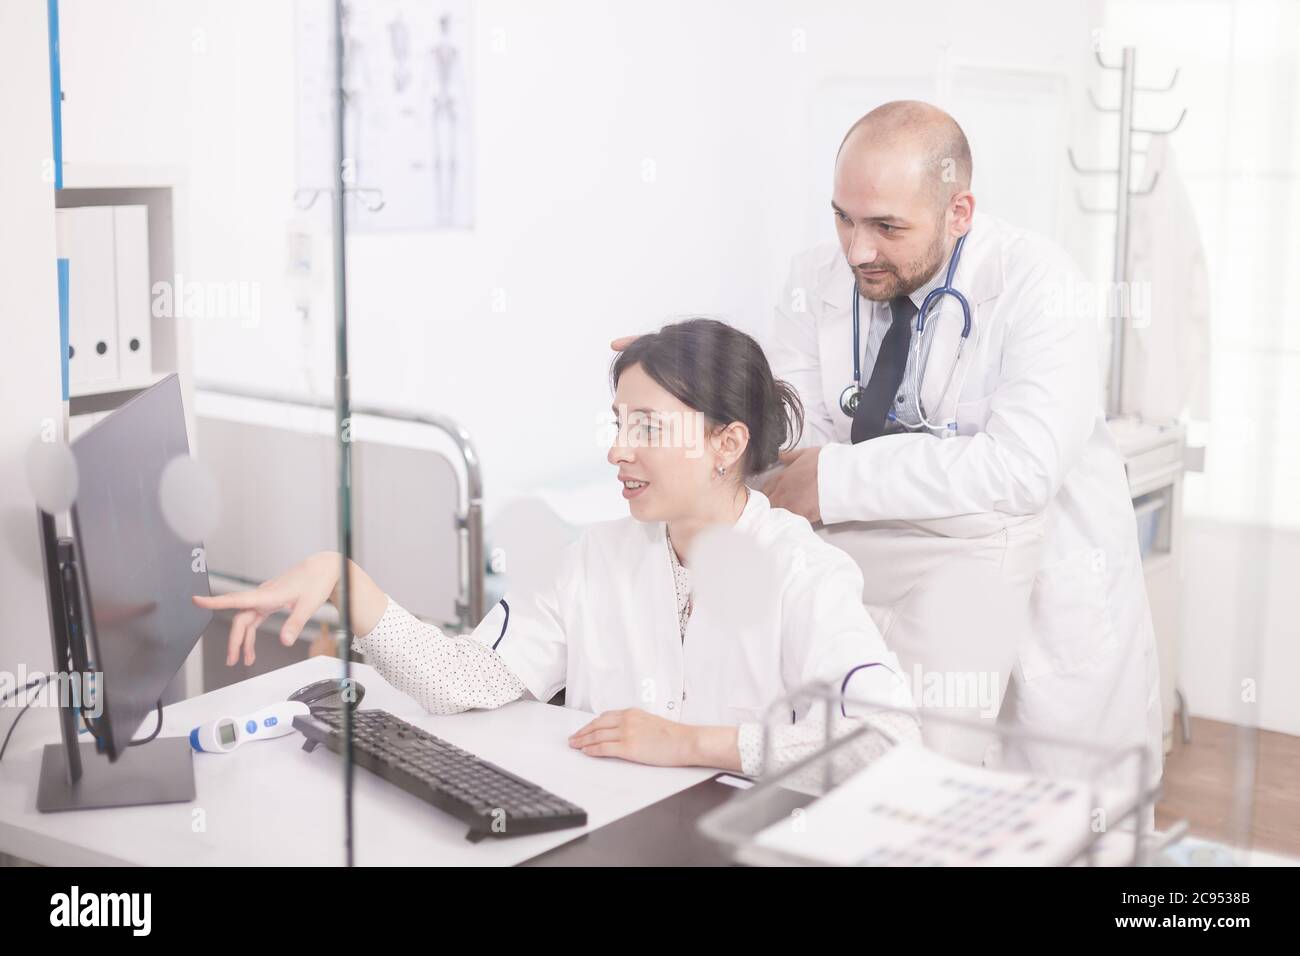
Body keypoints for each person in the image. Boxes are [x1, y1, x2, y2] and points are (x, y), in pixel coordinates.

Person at [195, 319, 918, 777]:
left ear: (726, 444)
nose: (618, 451)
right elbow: (466, 682)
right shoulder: (596, 559)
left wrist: (697, 742)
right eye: (617, 423)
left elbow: (885, 738)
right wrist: (341, 581)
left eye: (648, 427)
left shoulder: (803, 573)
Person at [761, 100, 1162, 793]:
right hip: (893, 600)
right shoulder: (815, 279)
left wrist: (837, 480)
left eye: (887, 226)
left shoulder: (1040, 286)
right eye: (843, 217)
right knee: (899, 802)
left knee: (1053, 827)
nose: (857, 249)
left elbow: (1019, 469)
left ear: (959, 212)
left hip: (1044, 608)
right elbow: (792, 443)